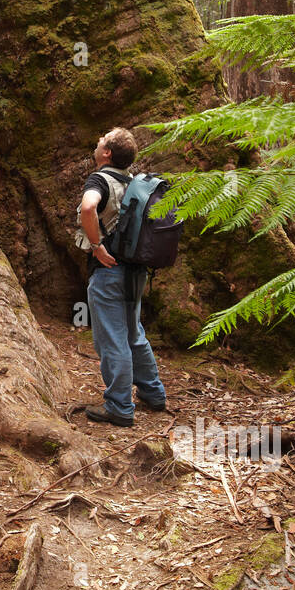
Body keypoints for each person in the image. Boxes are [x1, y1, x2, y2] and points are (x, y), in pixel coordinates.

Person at [76, 127, 168, 427]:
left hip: (109, 271)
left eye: (101, 139)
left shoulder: (100, 179)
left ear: (107, 154)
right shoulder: (134, 184)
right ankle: (153, 394)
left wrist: (96, 246)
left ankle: (119, 407)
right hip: (136, 271)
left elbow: (88, 207)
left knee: (112, 339)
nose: (97, 140)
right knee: (133, 333)